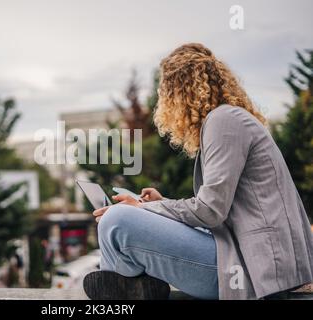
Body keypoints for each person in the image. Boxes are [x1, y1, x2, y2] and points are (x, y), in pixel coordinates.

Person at [83, 43, 313, 300]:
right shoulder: (232, 119)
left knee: (116, 221)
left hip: (250, 270)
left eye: (165, 92)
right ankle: (129, 286)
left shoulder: (225, 121)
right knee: (117, 219)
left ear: (180, 91)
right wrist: (162, 205)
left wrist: (144, 209)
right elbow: (215, 210)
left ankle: (126, 286)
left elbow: (210, 211)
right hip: (247, 259)